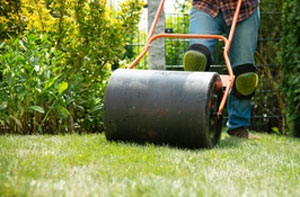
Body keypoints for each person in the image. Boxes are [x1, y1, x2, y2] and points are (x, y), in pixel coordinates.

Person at [184, 0, 260, 139]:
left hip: (243, 9)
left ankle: (238, 127)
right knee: (196, 58)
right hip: (206, 5)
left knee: (245, 75)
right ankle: (194, 118)